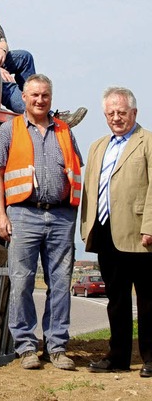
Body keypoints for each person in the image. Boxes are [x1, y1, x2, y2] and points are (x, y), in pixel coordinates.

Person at [0, 74, 82, 371]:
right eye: (34, 95)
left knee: (60, 283)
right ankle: (26, 347)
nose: (40, 100)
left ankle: (56, 347)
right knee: (22, 282)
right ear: (24, 98)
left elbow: (77, 169)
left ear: (50, 99)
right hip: (23, 215)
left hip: (60, 215)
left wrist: (74, 213)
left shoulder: (65, 131)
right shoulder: (10, 129)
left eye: (45, 96)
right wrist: (1, 215)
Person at [80, 87, 152, 377]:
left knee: (148, 300)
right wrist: (87, 228)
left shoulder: (147, 141)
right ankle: (118, 356)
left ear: (134, 113)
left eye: (122, 112)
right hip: (106, 232)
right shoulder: (98, 146)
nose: (116, 117)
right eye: (111, 113)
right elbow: (90, 189)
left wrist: (150, 226)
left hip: (139, 233)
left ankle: (150, 357)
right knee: (116, 299)